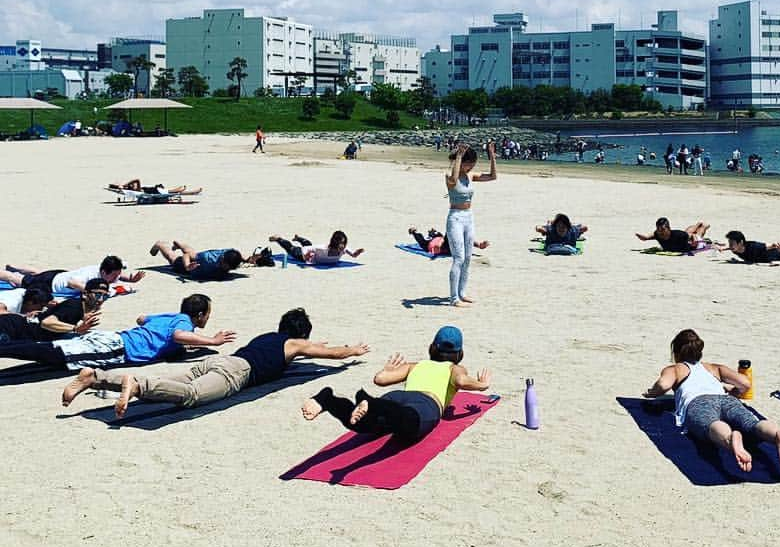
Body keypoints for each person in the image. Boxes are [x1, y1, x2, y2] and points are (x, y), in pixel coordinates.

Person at [62, 308, 371, 418]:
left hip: (221, 361)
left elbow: (315, 347)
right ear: (302, 333)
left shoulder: (269, 336)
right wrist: (354, 350)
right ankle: (136, 384)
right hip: (235, 373)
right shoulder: (295, 343)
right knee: (190, 397)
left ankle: (96, 377)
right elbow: (329, 354)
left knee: (177, 383)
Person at [301, 325, 492, 445]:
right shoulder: (454, 368)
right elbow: (461, 381)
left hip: (397, 397)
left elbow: (380, 380)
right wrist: (481, 385)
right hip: (425, 403)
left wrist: (387, 370)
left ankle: (327, 399)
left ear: (432, 348)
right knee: (408, 426)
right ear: (459, 354)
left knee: (363, 424)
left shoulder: (415, 365)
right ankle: (372, 404)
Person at [643, 328, 780, 474]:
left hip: (698, 402)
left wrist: (652, 393)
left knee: (710, 425)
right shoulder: (713, 367)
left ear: (676, 352)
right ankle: (777, 435)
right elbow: (745, 383)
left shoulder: (675, 368)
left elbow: (663, 385)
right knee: (752, 424)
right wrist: (733, 391)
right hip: (726, 399)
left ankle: (731, 439)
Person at [0, 293, 234, 372]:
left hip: (113, 337)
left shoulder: (171, 317)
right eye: (208, 314)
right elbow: (178, 336)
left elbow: (142, 318)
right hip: (118, 348)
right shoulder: (184, 323)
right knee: (56, 354)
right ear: (201, 315)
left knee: (52, 350)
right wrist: (213, 341)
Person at [444, 142, 497, 307]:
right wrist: (459, 156)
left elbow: (492, 176)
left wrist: (492, 155)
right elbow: (453, 180)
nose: (470, 168)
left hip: (469, 217)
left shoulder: (470, 176)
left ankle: (462, 293)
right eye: (469, 164)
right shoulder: (449, 175)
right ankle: (454, 299)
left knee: (467, 258)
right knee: (458, 258)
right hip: (455, 218)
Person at [0, 282, 104, 344]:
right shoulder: (13, 300)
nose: (102, 299)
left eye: (105, 296)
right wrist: (76, 329)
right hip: (12, 326)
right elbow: (47, 322)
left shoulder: (74, 306)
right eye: (98, 295)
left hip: (16, 327)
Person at [0, 255, 145, 296]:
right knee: (16, 279)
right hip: (51, 284)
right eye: (114, 276)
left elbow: (117, 275)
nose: (116, 278)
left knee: (38, 272)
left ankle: (15, 267)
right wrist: (90, 290)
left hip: (58, 274)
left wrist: (130, 279)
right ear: (103, 272)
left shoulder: (105, 269)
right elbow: (72, 283)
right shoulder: (89, 275)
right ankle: (11, 272)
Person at [149, 240, 244, 281]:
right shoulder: (207, 259)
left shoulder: (231, 254)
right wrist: (187, 266)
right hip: (191, 266)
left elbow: (239, 257)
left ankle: (180, 245)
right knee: (172, 258)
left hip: (198, 257)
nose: (227, 269)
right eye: (226, 266)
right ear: (222, 259)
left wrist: (248, 260)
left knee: (194, 254)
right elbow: (186, 255)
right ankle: (160, 245)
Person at [269, 231, 364, 266]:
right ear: (335, 242)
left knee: (308, 245)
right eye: (340, 243)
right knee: (291, 248)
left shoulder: (344, 249)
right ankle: (278, 238)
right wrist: (308, 263)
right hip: (302, 254)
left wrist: (357, 252)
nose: (342, 245)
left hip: (312, 251)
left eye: (344, 243)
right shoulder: (322, 249)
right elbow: (309, 252)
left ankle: (298, 238)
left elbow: (353, 255)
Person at [636, 218, 711, 253]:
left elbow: (692, 236)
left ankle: (703, 226)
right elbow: (647, 237)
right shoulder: (657, 234)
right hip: (684, 238)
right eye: (658, 230)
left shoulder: (678, 234)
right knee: (686, 232)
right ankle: (698, 224)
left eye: (662, 230)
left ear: (669, 229)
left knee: (698, 234)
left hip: (694, 245)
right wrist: (643, 237)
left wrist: (695, 241)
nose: (660, 232)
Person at [108, 179, 202, 197]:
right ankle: (194, 192)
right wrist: (124, 185)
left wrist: (123, 186)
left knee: (177, 190)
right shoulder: (135, 190)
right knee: (178, 191)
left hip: (156, 190)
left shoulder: (133, 189)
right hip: (157, 192)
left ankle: (193, 191)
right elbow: (137, 180)